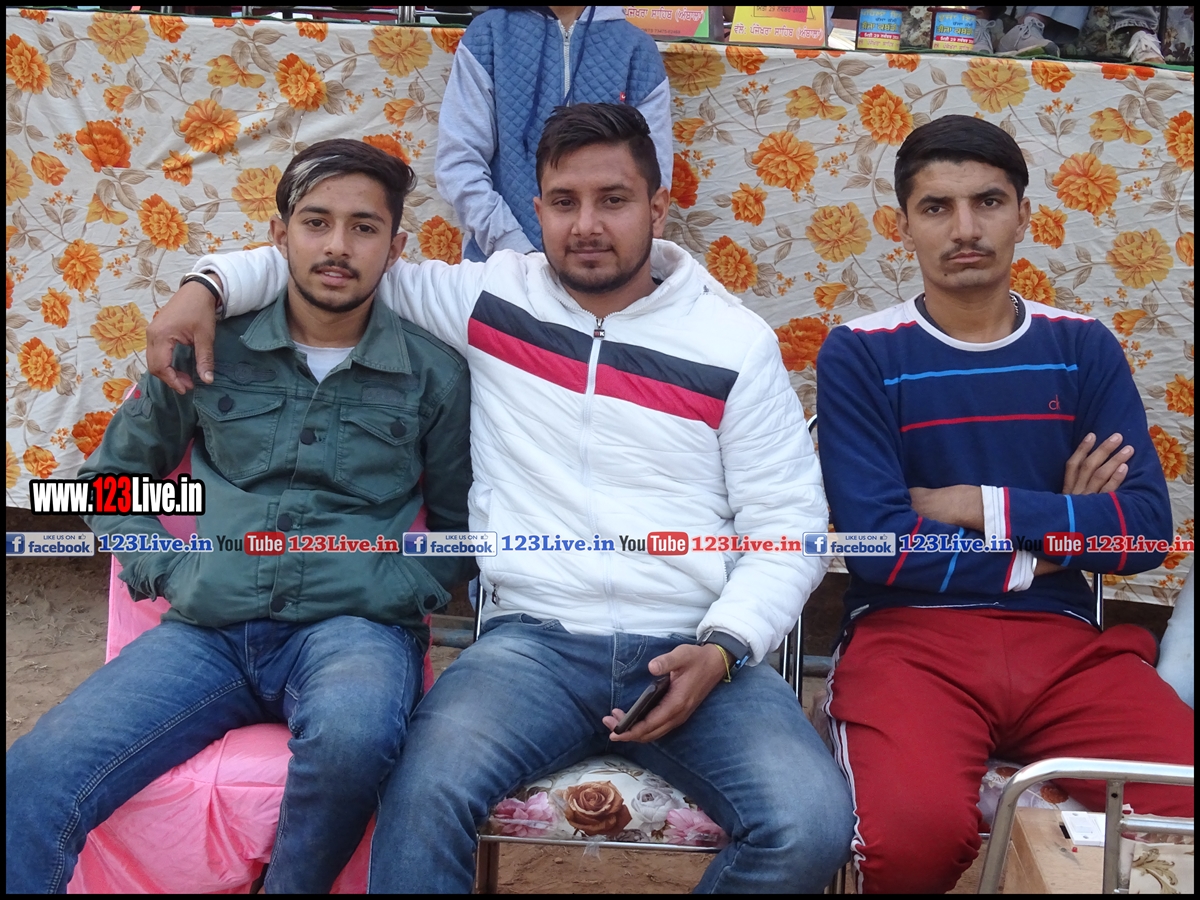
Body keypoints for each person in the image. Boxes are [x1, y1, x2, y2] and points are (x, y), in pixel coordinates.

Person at [145, 102, 854, 893]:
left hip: (693, 649)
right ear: (537, 209)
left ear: (657, 210)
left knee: (810, 823)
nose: (587, 225)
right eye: (564, 202)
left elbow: (788, 527)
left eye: (613, 200)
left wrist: (724, 646)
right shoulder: (492, 301)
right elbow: (337, 261)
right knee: (422, 794)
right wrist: (203, 285)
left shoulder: (733, 342)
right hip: (531, 649)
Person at [5, 140, 474, 894]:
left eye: (363, 227)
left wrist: (398, 586)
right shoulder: (207, 349)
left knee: (355, 740)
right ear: (280, 234)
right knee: (36, 772)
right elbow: (105, 484)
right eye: (316, 222)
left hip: (353, 633)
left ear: (395, 249)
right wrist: (171, 569)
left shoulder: (434, 374)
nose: (337, 246)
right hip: (207, 633)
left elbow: (460, 528)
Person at [815, 114, 1194, 894]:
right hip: (908, 641)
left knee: (1186, 806)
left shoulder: (1082, 348)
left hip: (1066, 647)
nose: (965, 229)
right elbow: (880, 546)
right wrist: (1057, 530)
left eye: (988, 202)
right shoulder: (860, 352)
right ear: (903, 225)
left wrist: (973, 504)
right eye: (937, 207)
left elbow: (1146, 532)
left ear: (1024, 215)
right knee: (913, 839)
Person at [437, 5, 672, 261]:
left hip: (607, 266)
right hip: (501, 264)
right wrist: (514, 248)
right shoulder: (488, 35)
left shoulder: (636, 48)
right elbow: (460, 162)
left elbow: (652, 175)